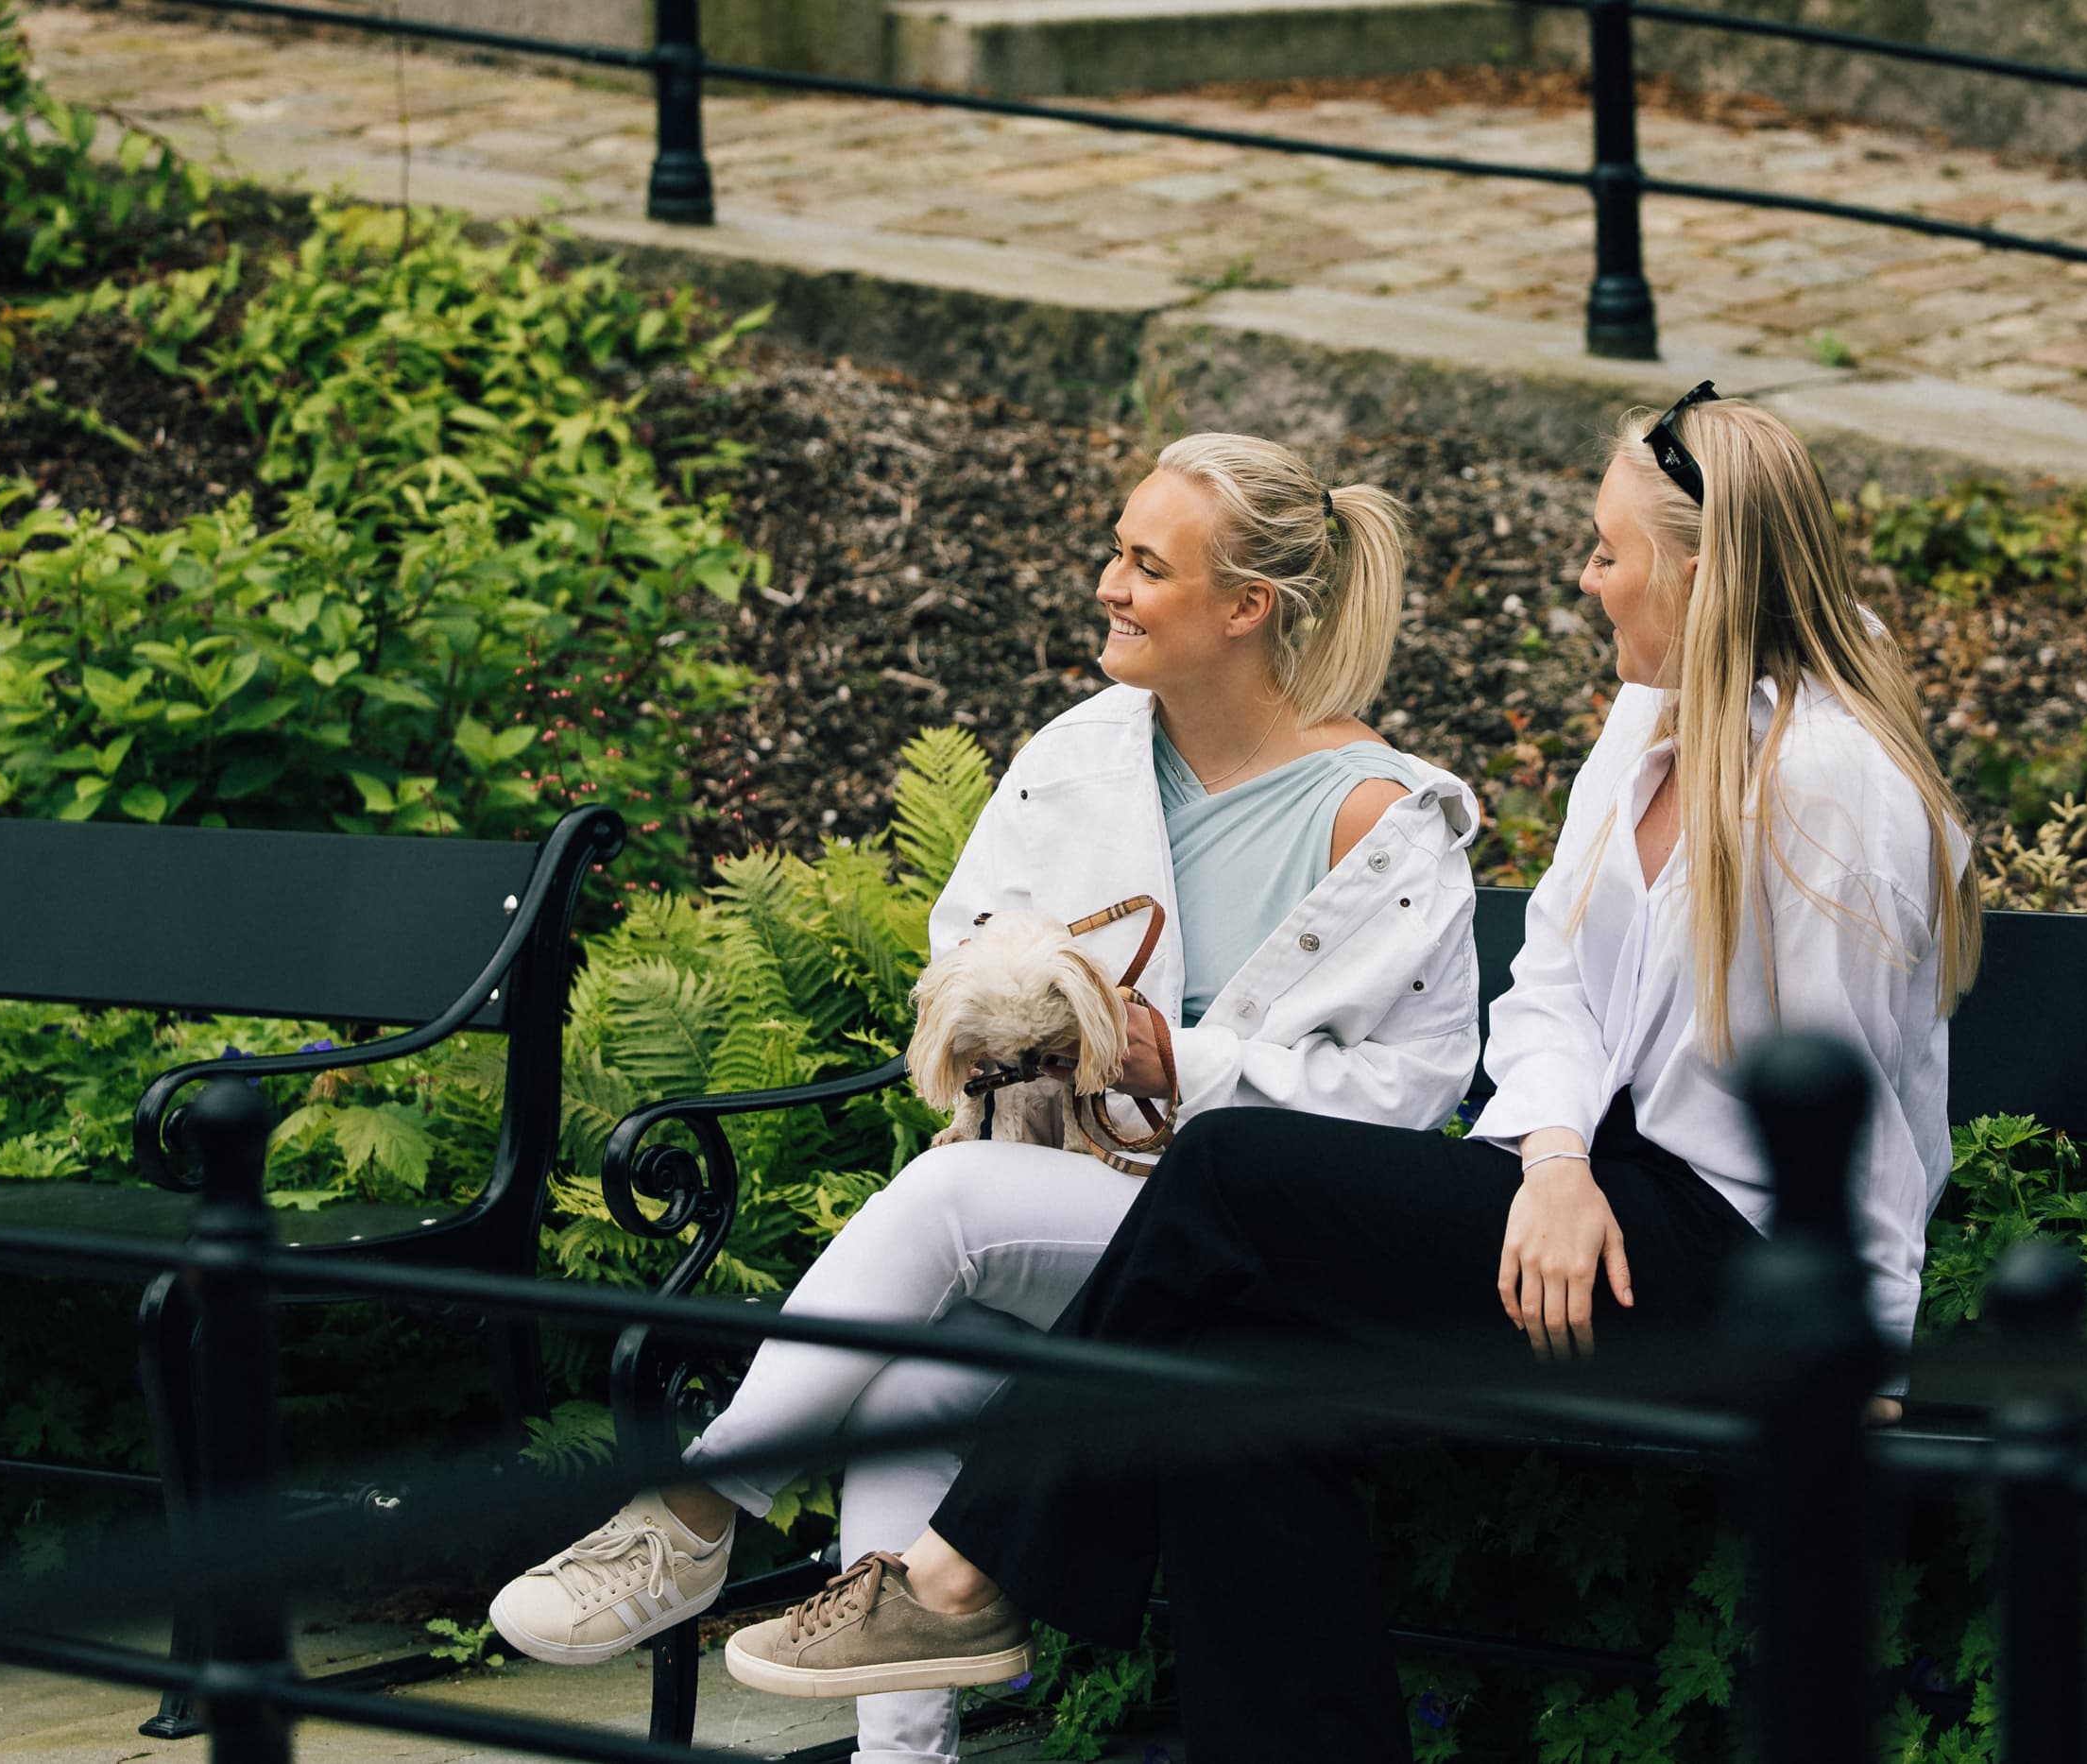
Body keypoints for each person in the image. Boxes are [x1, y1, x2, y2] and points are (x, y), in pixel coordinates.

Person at [717, 388, 1981, 1761]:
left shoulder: (1833, 790)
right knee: (1235, 1364)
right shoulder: (1650, 722)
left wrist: (1864, 1350)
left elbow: (1849, 1101)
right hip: (1588, 1207)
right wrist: (1554, 1160)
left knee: (1226, 1170)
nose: (1586, 577)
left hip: (1741, 1267)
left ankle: (962, 1577)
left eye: (1609, 552)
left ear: (1699, 572)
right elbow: (1551, 980)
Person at [488, 433, 1486, 1764]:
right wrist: (1020, 1010)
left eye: (1148, 566)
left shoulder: (1381, 818)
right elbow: (960, 942)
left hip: (1252, 1257)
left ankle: (699, 1511)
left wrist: (1173, 1062)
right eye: (1116, 553)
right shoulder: (1081, 752)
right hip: (1069, 1192)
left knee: (950, 1205)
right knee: (922, 1356)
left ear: (1247, 606)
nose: (1108, 586)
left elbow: (1407, 1100)